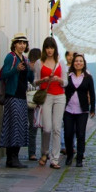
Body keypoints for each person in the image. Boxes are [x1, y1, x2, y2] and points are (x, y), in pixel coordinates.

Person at [0, 32, 31, 169]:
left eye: (24, 43)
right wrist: (15, 69)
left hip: (22, 96)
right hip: (12, 96)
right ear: (15, 44)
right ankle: (12, 157)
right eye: (19, 43)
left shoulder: (25, 59)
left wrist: (32, 70)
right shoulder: (10, 57)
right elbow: (4, 74)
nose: (22, 45)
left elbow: (29, 78)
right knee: (13, 126)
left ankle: (13, 158)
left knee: (20, 126)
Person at [35, 37, 66, 169]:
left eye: (51, 47)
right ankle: (45, 152)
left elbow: (66, 82)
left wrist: (58, 79)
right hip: (46, 95)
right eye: (47, 48)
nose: (49, 50)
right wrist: (44, 80)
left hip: (60, 96)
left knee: (57, 128)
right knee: (47, 128)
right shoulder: (39, 63)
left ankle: (55, 159)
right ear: (44, 49)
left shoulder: (60, 62)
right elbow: (35, 81)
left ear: (55, 49)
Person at [63, 53, 96, 167]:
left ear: (84, 63)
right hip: (68, 109)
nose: (78, 63)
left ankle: (80, 158)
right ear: (73, 63)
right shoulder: (68, 76)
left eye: (81, 61)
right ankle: (69, 155)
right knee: (68, 134)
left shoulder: (88, 77)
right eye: (76, 61)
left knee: (80, 134)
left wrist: (92, 108)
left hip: (82, 110)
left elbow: (92, 93)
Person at [25, 47, 42, 161]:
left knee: (33, 128)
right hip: (33, 101)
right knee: (34, 128)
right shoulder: (28, 71)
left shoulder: (39, 70)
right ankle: (34, 153)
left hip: (35, 101)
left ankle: (33, 153)